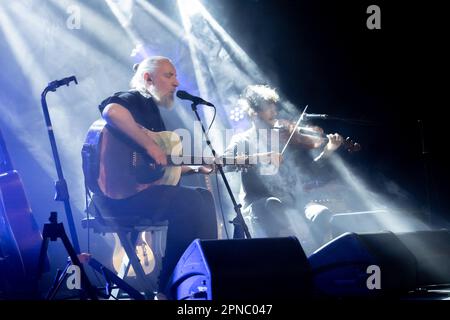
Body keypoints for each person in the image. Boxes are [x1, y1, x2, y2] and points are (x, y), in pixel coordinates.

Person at [90, 56, 218, 298]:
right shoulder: (136, 98)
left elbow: (156, 169)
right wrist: (151, 146)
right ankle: (170, 284)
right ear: (148, 78)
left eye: (176, 76)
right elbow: (111, 112)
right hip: (117, 198)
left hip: (140, 193)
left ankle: (204, 275)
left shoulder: (151, 112)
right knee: (188, 203)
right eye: (169, 75)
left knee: (203, 197)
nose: (176, 82)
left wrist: (196, 168)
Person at [223, 85, 344, 252]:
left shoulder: (284, 139)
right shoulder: (243, 140)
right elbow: (224, 162)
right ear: (253, 112)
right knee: (273, 205)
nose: (274, 112)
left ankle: (317, 259)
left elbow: (309, 171)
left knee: (321, 213)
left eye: (274, 107)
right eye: (268, 108)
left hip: (294, 202)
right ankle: (287, 257)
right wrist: (259, 158)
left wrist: (328, 151)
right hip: (260, 204)